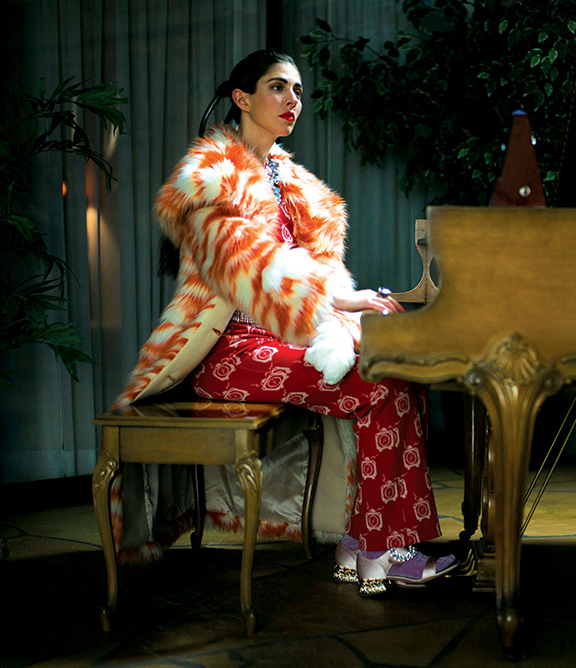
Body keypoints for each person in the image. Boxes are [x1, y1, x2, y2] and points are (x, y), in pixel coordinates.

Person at [111, 49, 457, 596]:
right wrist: (344, 300)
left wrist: (349, 298)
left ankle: (367, 544)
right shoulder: (212, 175)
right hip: (228, 355)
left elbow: (313, 269)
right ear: (241, 98)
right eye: (278, 88)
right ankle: (381, 551)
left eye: (297, 91)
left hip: (281, 341)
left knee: (397, 370)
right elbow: (252, 268)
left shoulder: (286, 178)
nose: (292, 101)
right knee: (382, 380)